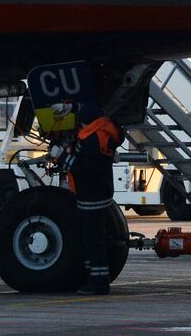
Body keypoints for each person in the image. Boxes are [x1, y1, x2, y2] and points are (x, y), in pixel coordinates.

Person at [70, 101, 123, 295]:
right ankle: (93, 277)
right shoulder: (102, 133)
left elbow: (82, 168)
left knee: (93, 240)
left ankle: (98, 283)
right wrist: (71, 108)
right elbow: (91, 109)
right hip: (99, 195)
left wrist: (62, 158)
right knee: (92, 238)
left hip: (91, 198)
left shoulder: (91, 141)